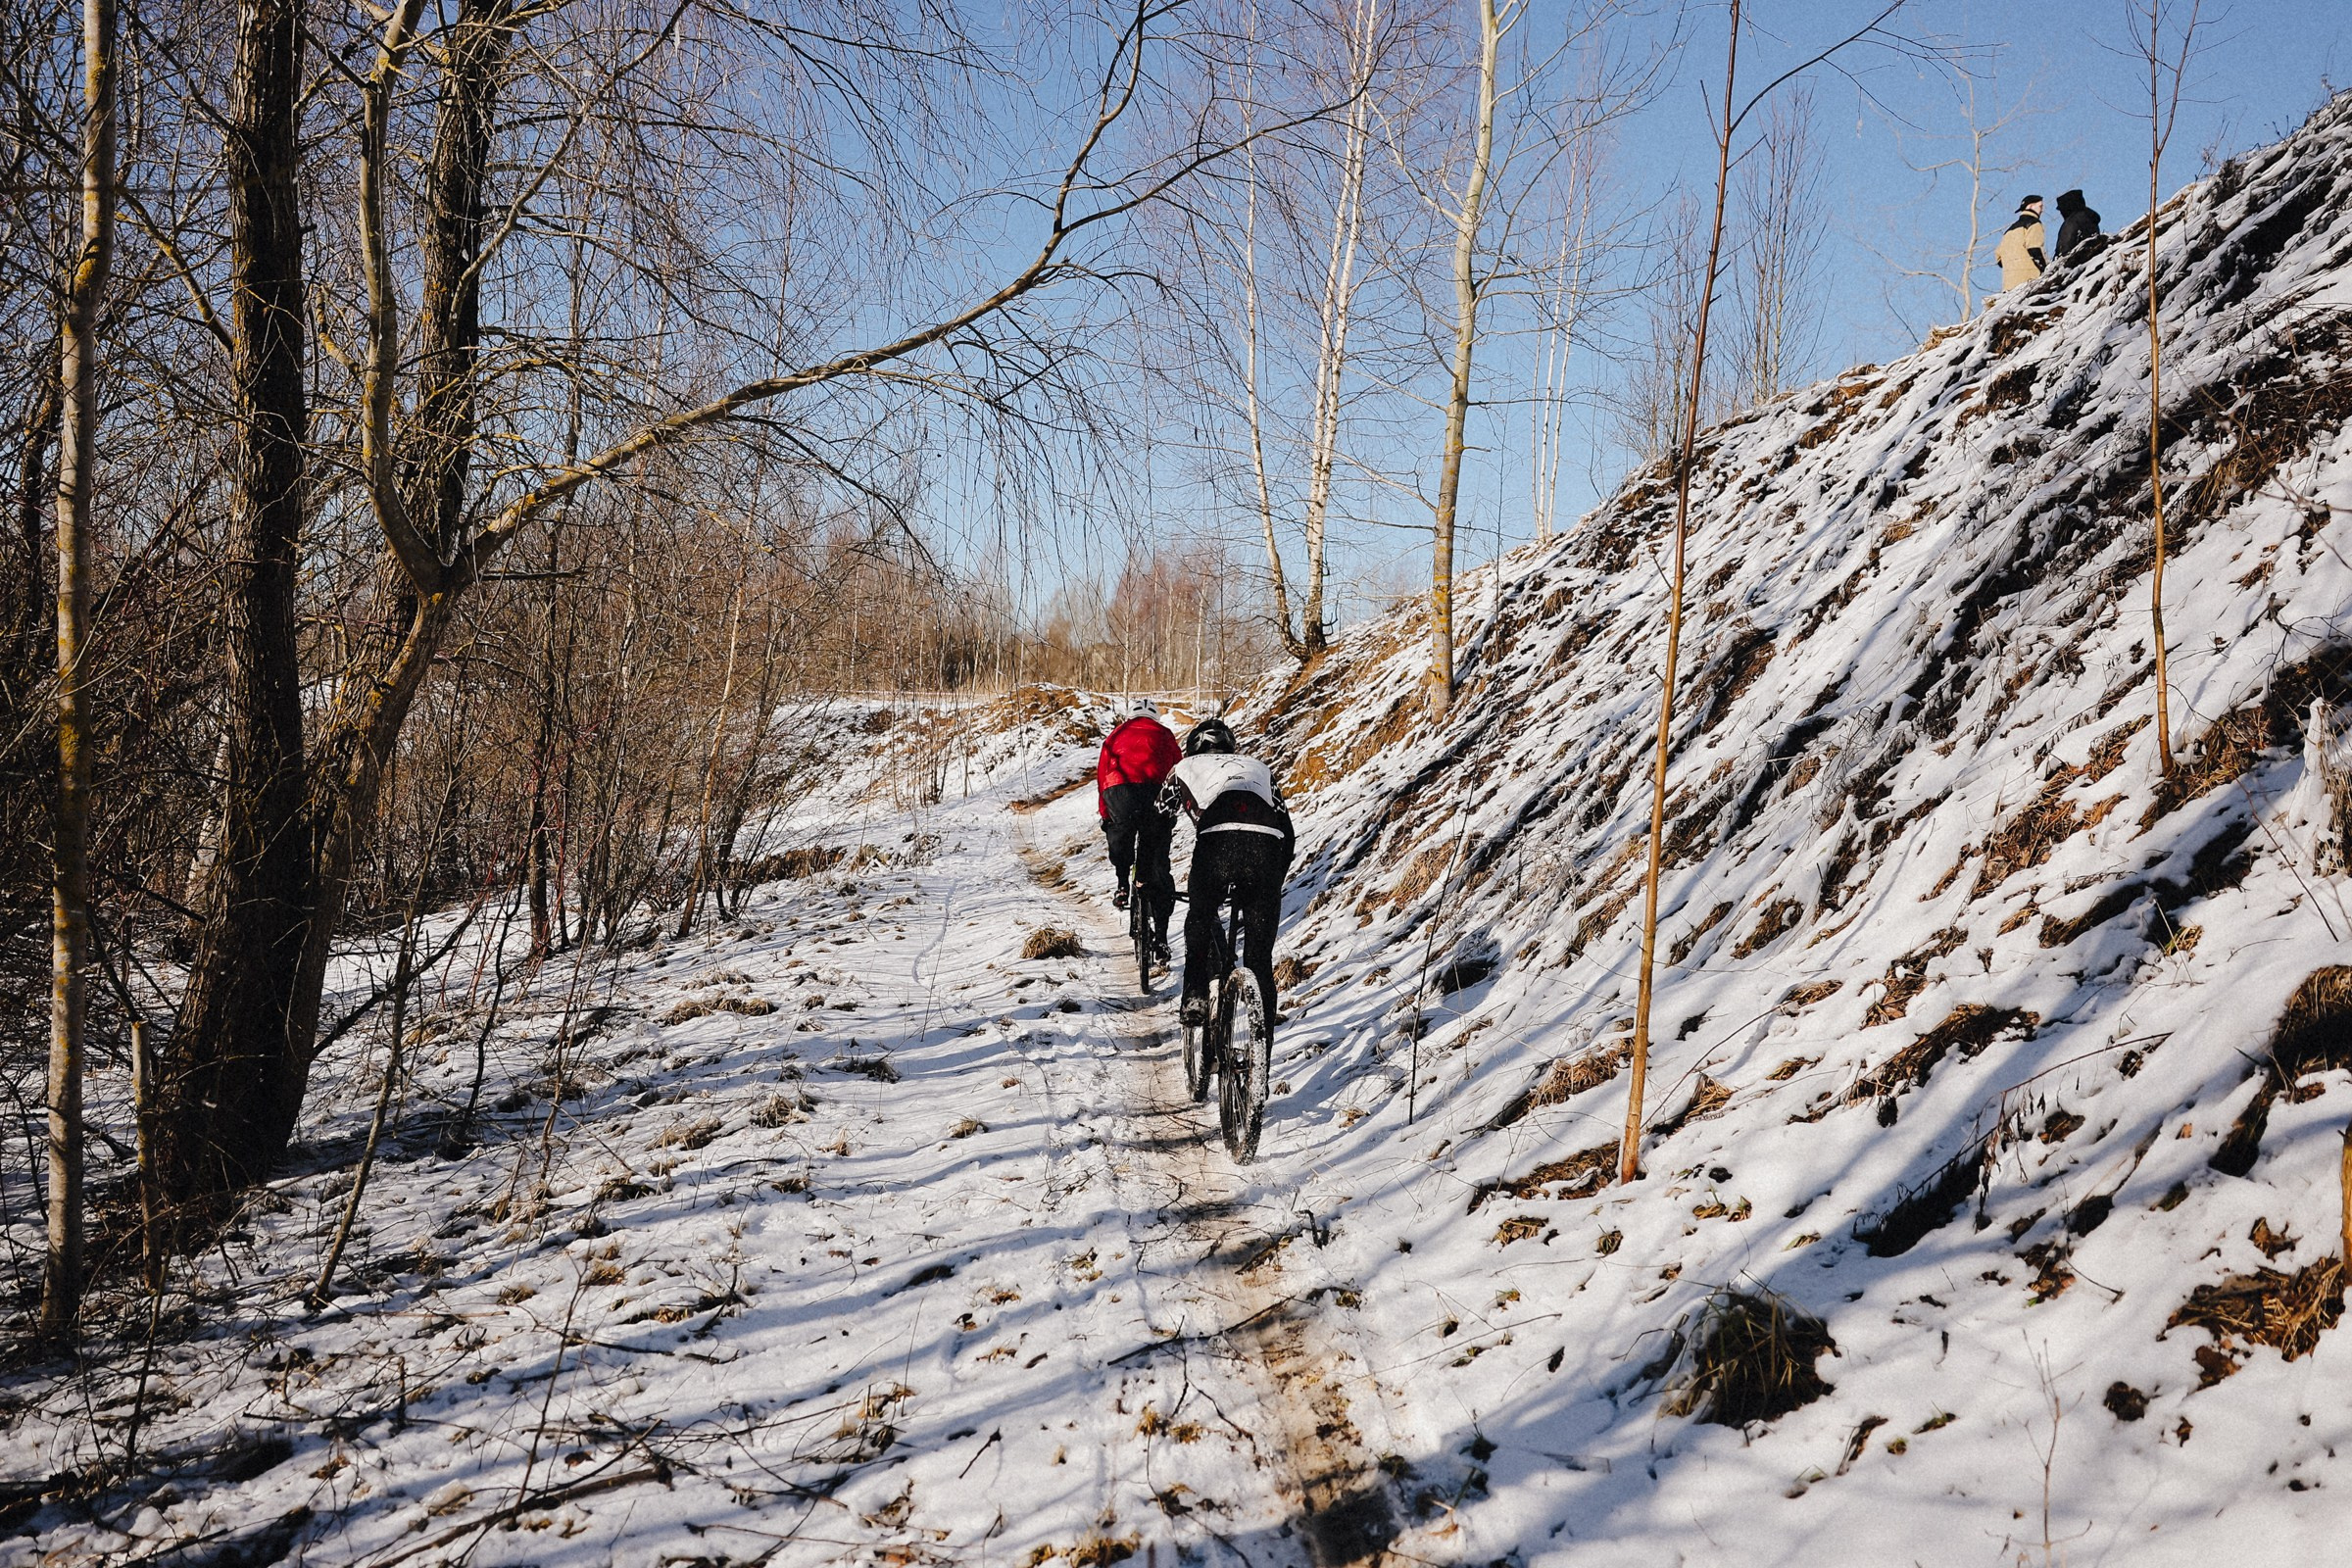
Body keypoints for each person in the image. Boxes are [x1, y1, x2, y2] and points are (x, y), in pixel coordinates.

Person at [1157, 717, 1295, 1029]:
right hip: (1265, 848)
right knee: (1259, 955)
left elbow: (1157, 823)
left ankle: (1195, 996)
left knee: (1201, 918)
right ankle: (1263, 1031)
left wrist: (1153, 876)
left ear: (1193, 748)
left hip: (1216, 844)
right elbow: (1287, 831)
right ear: (1231, 747)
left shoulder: (1183, 768)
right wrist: (1274, 880)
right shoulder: (1259, 768)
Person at [1098, 698, 1180, 963]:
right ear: (1155, 717)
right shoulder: (1165, 734)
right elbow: (1179, 770)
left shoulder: (1116, 734)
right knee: (1158, 862)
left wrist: (1106, 815)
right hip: (1155, 793)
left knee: (1120, 835)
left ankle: (1123, 884)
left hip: (1119, 791)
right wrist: (1173, 812)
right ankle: (1163, 938)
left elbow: (1102, 778)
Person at [1995, 194, 2046, 290]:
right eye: (2040, 206)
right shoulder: (2034, 224)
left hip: (2009, 284)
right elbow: (2034, 248)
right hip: (2030, 280)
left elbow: (1999, 259)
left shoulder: (2008, 231)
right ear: (2031, 206)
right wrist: (2045, 269)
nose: (2042, 210)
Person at [2051, 189, 2101, 263]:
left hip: (2074, 266)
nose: (2061, 213)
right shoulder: (2091, 219)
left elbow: (2064, 248)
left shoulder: (2072, 222)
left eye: (2062, 210)